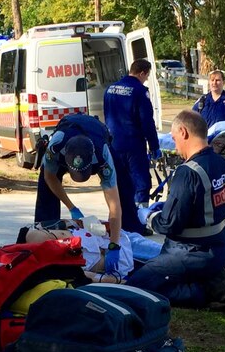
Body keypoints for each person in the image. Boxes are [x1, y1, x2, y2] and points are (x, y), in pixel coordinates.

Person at [126, 109, 225, 312]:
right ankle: (210, 276)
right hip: (220, 246)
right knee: (149, 268)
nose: (175, 145)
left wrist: (148, 216)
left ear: (184, 132)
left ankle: (205, 292)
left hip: (192, 252)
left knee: (136, 288)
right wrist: (168, 207)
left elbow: (170, 225)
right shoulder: (223, 165)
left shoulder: (188, 172)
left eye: (174, 138)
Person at [33, 113, 146, 275]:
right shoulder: (56, 145)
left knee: (124, 190)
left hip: (96, 133)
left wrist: (113, 245)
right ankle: (43, 240)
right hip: (68, 130)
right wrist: (72, 207)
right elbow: (49, 177)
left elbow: (114, 207)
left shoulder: (103, 155)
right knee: (46, 194)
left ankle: (129, 233)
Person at [103, 59, 161, 211]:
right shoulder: (140, 91)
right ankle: (140, 220)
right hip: (133, 145)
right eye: (146, 76)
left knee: (119, 182)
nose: (146, 80)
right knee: (141, 182)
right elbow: (147, 122)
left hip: (113, 145)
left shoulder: (110, 89)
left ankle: (121, 220)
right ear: (142, 73)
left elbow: (107, 115)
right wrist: (154, 146)